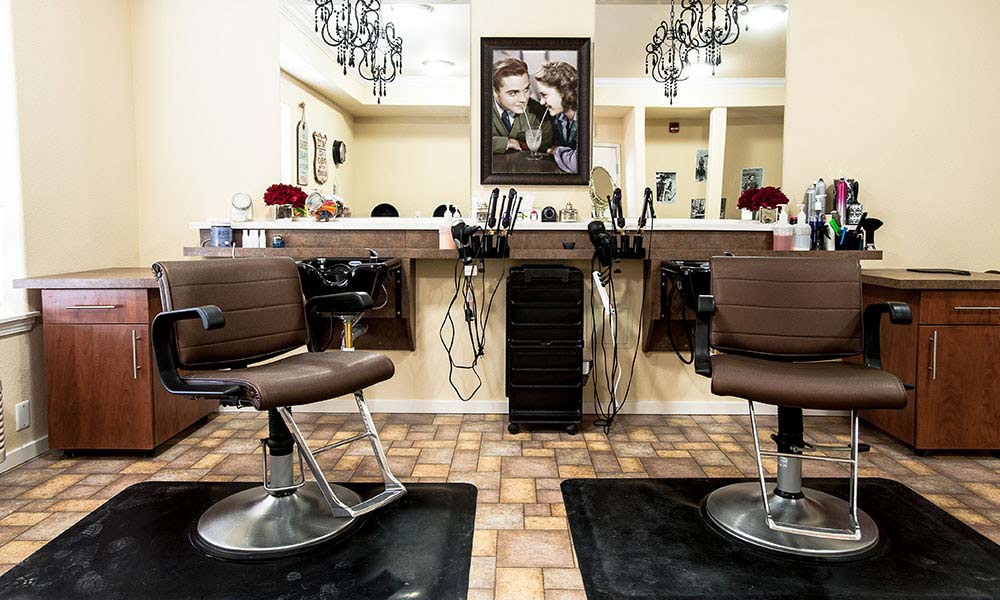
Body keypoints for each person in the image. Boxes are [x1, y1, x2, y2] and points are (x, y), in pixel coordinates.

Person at [491, 57, 551, 155]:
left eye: (526, 90)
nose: (523, 99)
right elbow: (475, 142)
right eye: (513, 93)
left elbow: (545, 148)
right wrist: (507, 143)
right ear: (495, 92)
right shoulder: (480, 110)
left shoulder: (539, 112)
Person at [534, 60, 579, 173]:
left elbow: (577, 163)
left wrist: (556, 151)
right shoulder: (559, 119)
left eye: (544, 95)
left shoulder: (584, 120)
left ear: (564, 91)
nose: (541, 102)